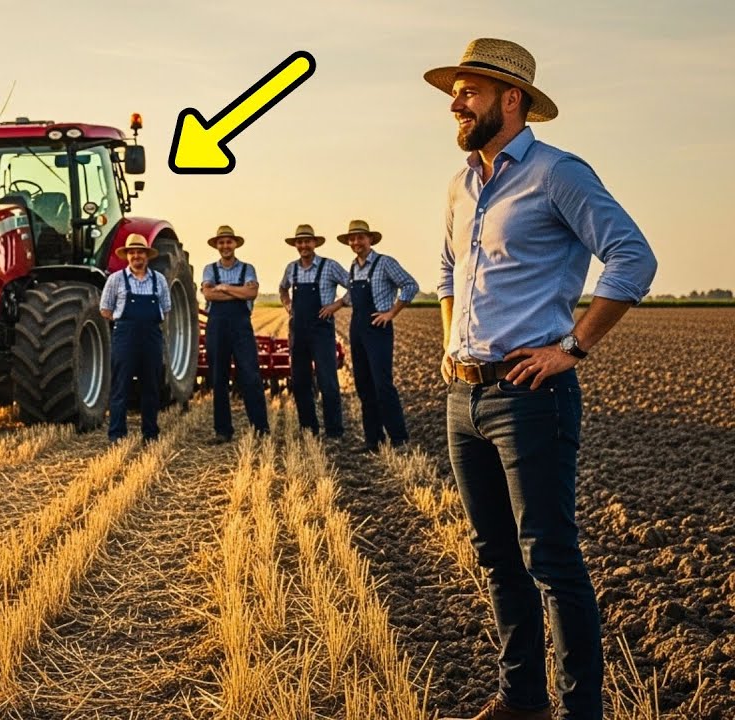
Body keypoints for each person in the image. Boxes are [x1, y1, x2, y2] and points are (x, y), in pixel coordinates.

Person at [427, 39, 657, 720]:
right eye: (455, 92)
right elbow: (446, 274)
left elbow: (632, 259)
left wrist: (573, 348)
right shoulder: (460, 182)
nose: (455, 103)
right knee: (496, 557)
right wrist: (449, 340)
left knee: (550, 560)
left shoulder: (559, 173)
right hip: (463, 396)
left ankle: (581, 710)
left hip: (531, 397)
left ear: (511, 98)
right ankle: (520, 697)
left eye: (468, 91)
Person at [338, 219, 418, 453]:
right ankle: (373, 440)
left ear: (370, 239)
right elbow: (351, 297)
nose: (356, 242)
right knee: (363, 385)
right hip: (357, 329)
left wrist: (392, 312)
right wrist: (336, 304)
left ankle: (399, 439)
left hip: (378, 330)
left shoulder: (385, 263)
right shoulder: (353, 267)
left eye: (360, 237)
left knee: (383, 385)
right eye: (352, 239)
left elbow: (410, 285)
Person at [277, 224, 350, 437]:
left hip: (321, 330)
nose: (303, 245)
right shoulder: (291, 268)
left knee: (327, 381)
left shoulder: (329, 266)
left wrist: (336, 305)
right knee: (300, 381)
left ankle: (334, 431)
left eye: (307, 241)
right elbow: (282, 288)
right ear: (295, 245)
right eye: (299, 242)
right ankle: (308, 428)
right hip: (298, 331)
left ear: (315, 243)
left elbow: (353, 285)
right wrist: (287, 304)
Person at [100, 233, 172, 443]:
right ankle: (117, 434)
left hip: (151, 336)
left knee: (151, 386)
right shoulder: (116, 279)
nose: (136, 256)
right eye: (132, 252)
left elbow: (166, 308)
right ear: (127, 256)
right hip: (125, 336)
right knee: (120, 386)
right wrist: (121, 320)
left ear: (147, 256)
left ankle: (150, 434)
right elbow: (104, 309)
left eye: (140, 252)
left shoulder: (159, 280)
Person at [200, 225, 270, 442]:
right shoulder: (209, 269)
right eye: (221, 242)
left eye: (228, 242)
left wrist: (225, 288)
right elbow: (209, 295)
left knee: (250, 375)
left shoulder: (247, 268)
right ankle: (223, 431)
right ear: (217, 246)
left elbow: (252, 292)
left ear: (235, 244)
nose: (225, 246)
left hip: (241, 326)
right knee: (219, 377)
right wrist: (237, 293)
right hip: (217, 326)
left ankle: (260, 429)